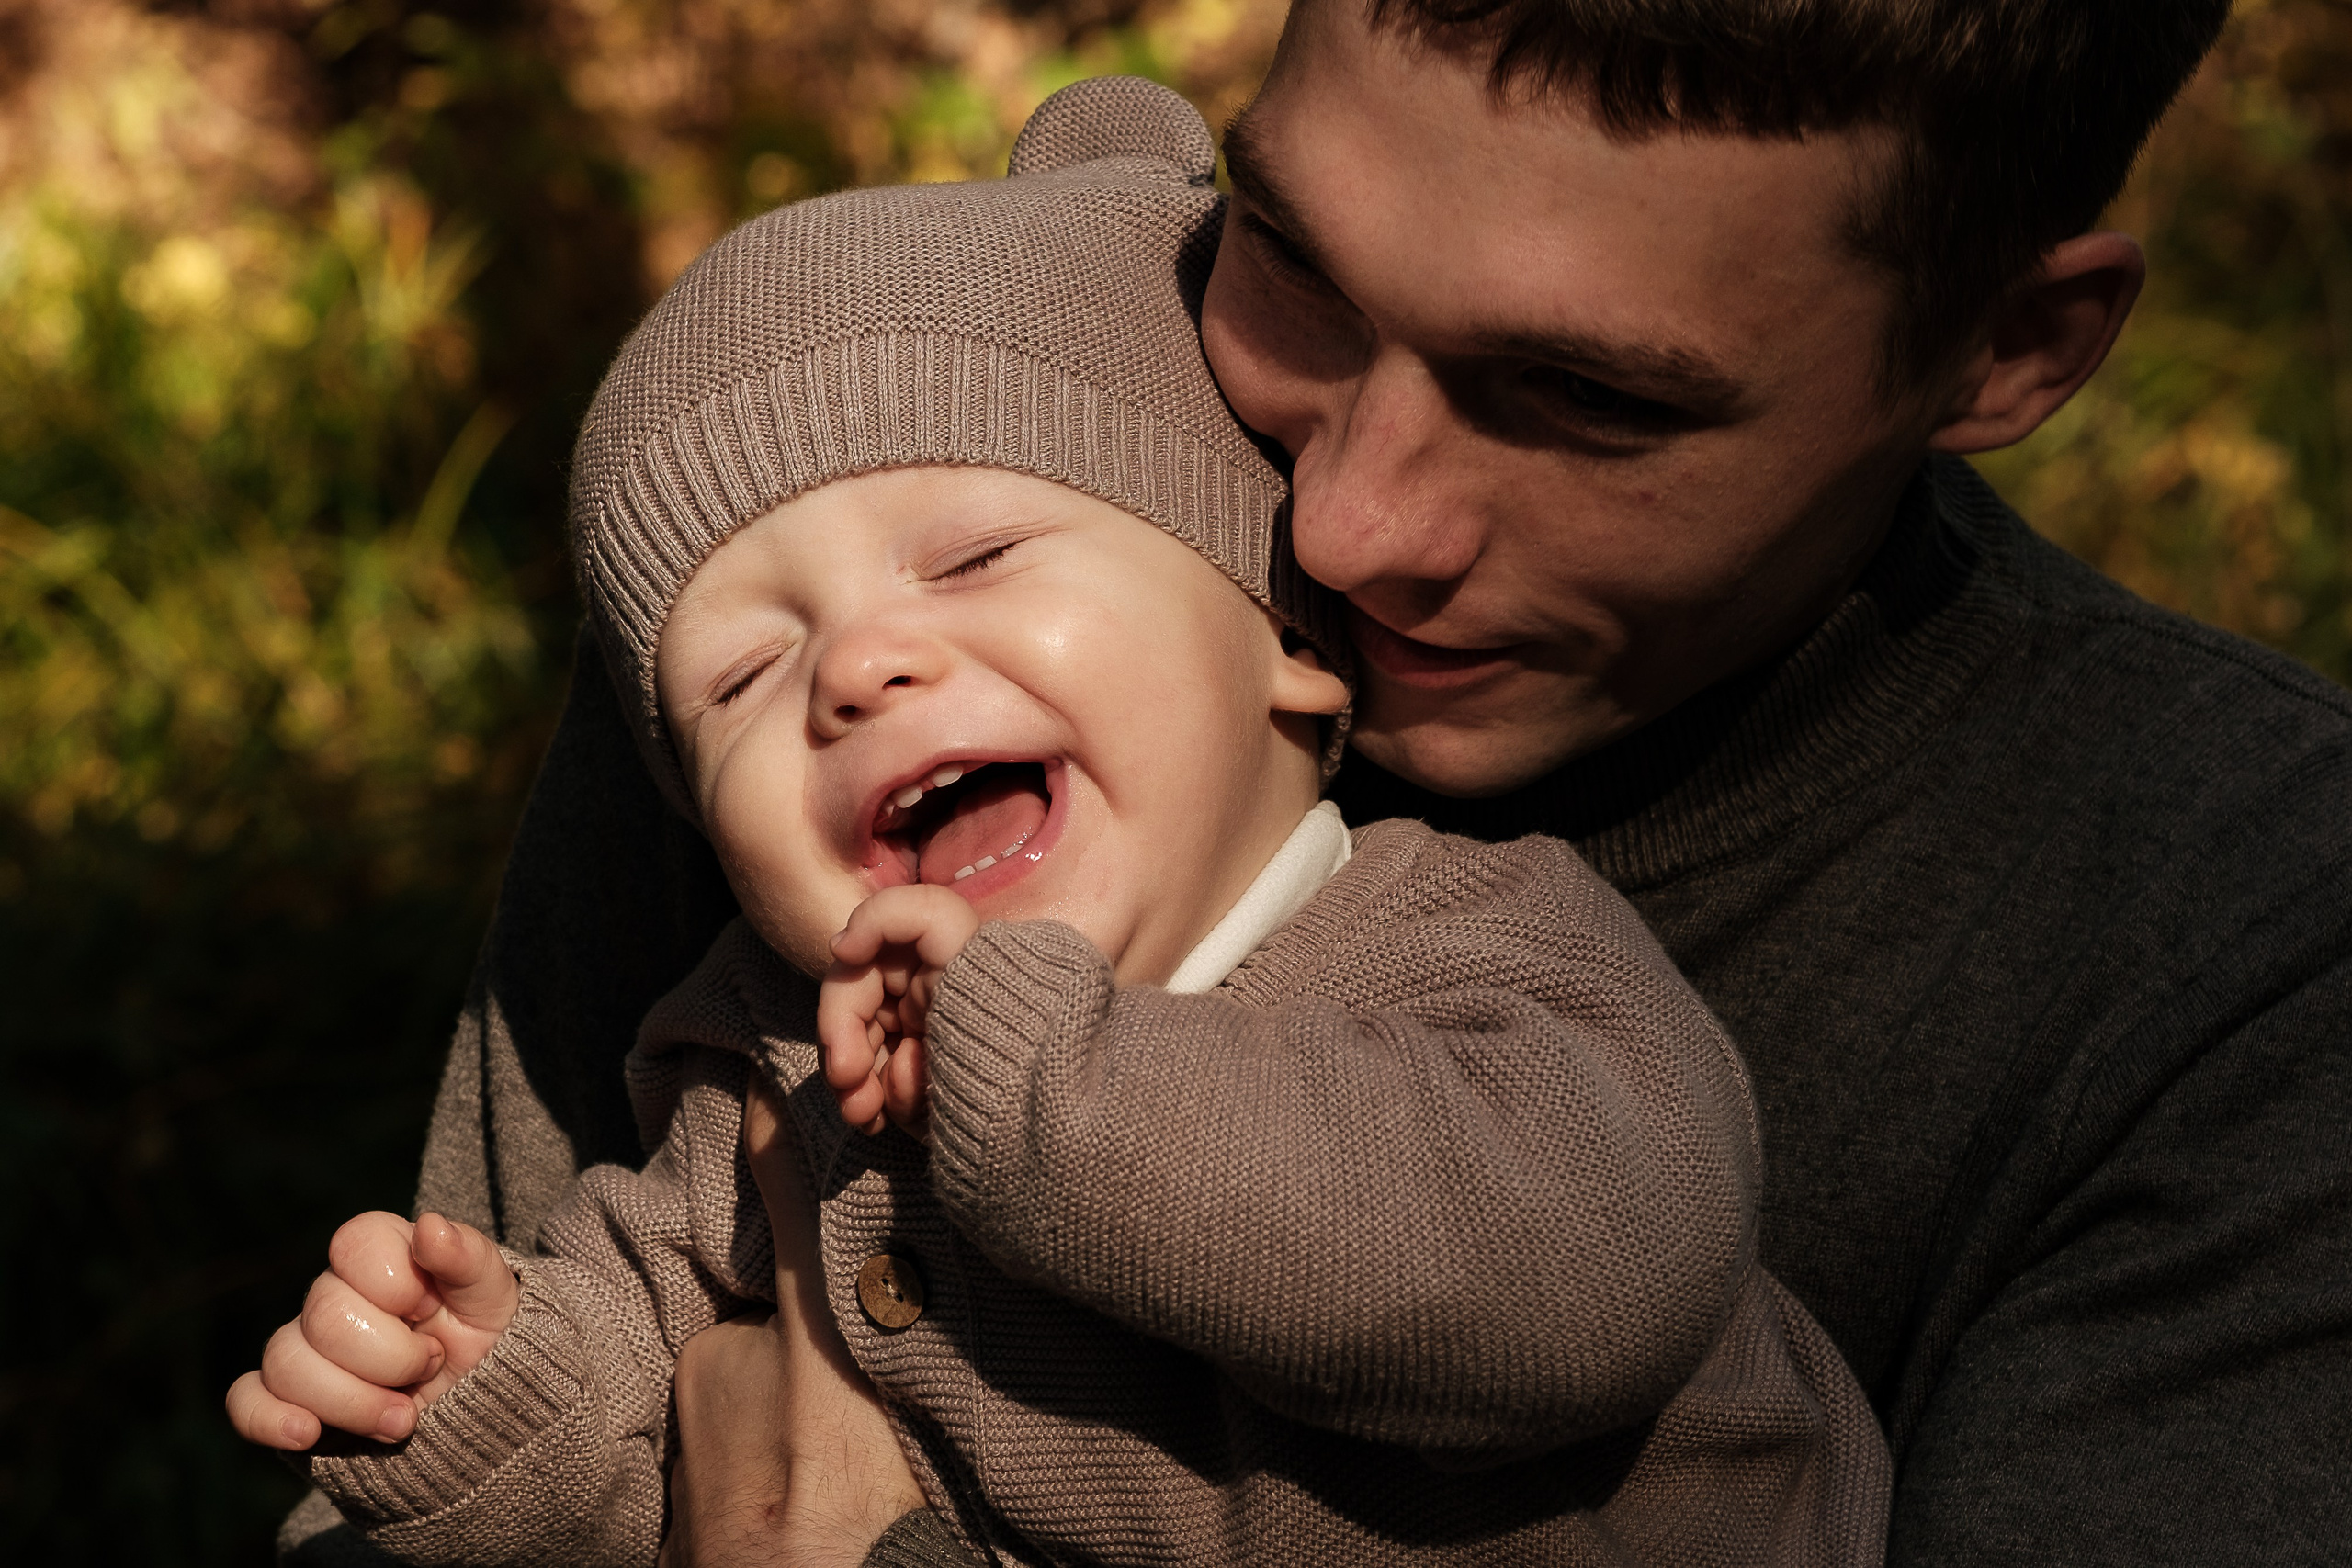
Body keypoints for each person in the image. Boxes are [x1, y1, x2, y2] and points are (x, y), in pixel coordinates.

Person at [279, 1, 2352, 1564]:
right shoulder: (862, 613)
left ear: (2008, 352)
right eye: (1282, 256)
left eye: (1580, 399)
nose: (1341, 530)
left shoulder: (2248, 951)